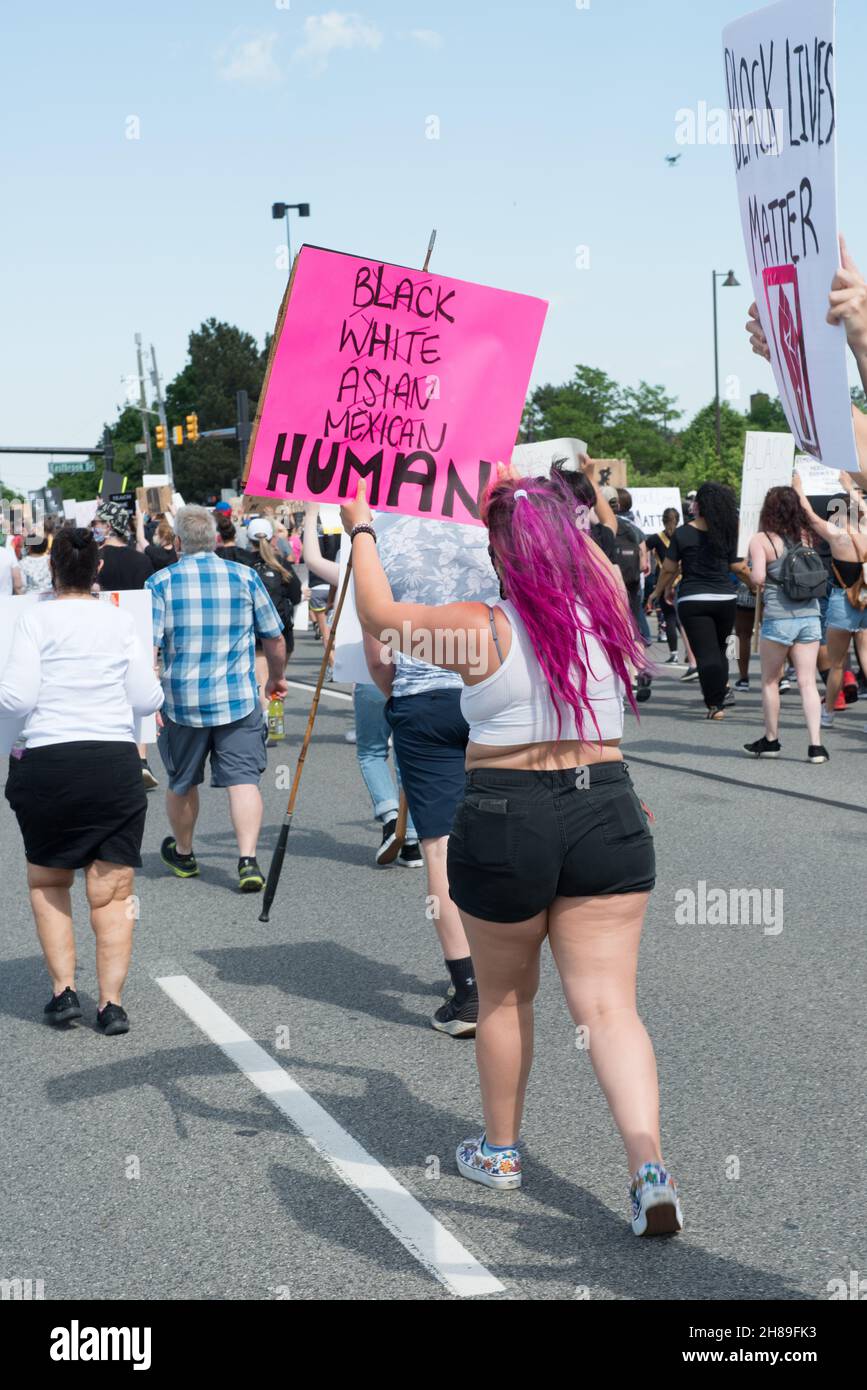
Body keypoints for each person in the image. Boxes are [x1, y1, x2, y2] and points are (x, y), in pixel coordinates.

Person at [342, 473, 679, 1235]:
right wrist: (546, 506)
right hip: (608, 803)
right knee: (609, 1007)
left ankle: (499, 1152)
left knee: (502, 999)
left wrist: (361, 527)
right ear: (570, 543)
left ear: (496, 550)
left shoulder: (478, 627)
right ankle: (646, 1168)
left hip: (505, 812)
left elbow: (376, 616)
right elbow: (589, 554)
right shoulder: (606, 610)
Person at [0, 527, 164, 1035]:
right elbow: (147, 700)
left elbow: (19, 699)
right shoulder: (118, 622)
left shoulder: (32, 619)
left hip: (48, 761)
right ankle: (110, 1003)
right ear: (98, 569)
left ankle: (63, 992)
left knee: (50, 879)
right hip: (112, 764)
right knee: (113, 892)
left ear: (51, 569)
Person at [146, 506, 287, 893]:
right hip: (237, 699)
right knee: (243, 781)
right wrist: (276, 677)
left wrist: (147, 699)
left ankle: (186, 853)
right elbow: (274, 636)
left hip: (181, 702)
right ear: (215, 539)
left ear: (178, 543)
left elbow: (148, 648)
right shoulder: (244, 577)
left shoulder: (159, 583)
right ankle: (247, 860)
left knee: (182, 781)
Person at [302, 503, 422, 867]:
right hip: (415, 672)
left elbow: (311, 559)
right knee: (406, 753)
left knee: (371, 749)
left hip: (372, 670)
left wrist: (310, 516)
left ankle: (389, 817)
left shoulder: (357, 570)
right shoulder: (415, 569)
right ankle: (412, 835)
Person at [647, 483, 747, 719]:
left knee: (705, 653)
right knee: (721, 650)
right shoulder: (730, 531)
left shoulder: (683, 532)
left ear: (699, 505)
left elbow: (669, 569)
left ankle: (715, 704)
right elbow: (737, 566)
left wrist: (659, 591)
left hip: (693, 598)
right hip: (725, 597)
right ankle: (722, 690)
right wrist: (754, 584)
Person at [744, 487, 828, 763]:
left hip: (779, 617)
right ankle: (816, 746)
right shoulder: (806, 537)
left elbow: (757, 578)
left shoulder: (761, 539)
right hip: (809, 616)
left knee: (770, 680)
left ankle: (772, 739)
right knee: (807, 682)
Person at [793, 472, 867, 730]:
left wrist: (798, 487)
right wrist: (849, 487)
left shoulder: (836, 536)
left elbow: (807, 513)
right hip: (865, 597)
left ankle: (829, 713)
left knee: (837, 664)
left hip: (841, 599)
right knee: (866, 656)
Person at [246, 517, 302, 698]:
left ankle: (266, 720)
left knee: (263, 687)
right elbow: (296, 595)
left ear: (248, 540)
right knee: (277, 685)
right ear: (273, 539)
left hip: (254, 630)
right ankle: (274, 723)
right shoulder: (281, 565)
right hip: (282, 631)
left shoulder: (243, 565)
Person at [645, 509, 682, 664]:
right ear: (678, 520)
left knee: (670, 618)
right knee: (682, 619)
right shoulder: (683, 535)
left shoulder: (655, 538)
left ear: (662, 520)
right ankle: (692, 653)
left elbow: (642, 549)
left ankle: (674, 653)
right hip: (682, 580)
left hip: (663, 579)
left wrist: (646, 562)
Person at [94, 501, 155, 591]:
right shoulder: (143, 560)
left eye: (94, 523)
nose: (93, 527)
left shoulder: (92, 559)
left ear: (107, 526)